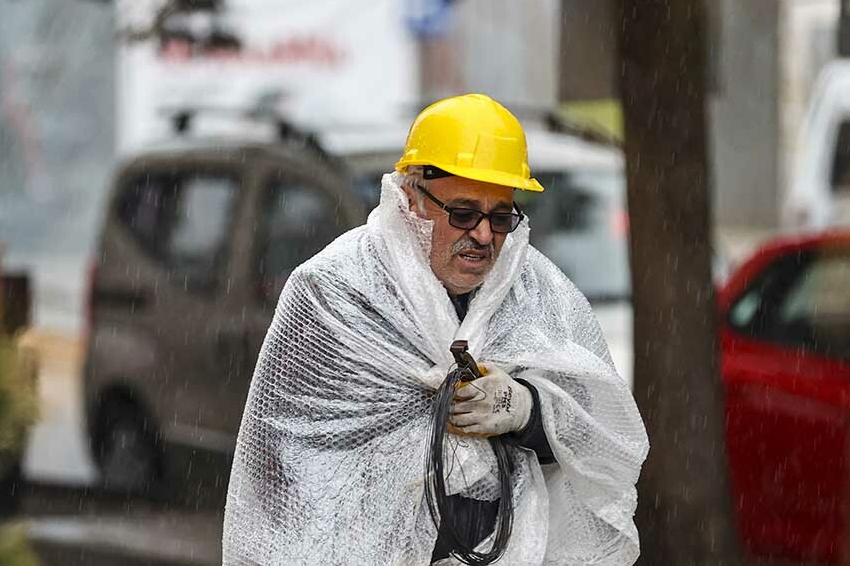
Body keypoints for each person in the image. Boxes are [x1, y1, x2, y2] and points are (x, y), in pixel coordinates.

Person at [222, 94, 648, 565]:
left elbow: (596, 445)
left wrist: (525, 409)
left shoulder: (538, 293)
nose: (485, 236)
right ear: (410, 202)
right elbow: (285, 464)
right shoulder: (333, 292)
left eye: (502, 217)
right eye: (463, 213)